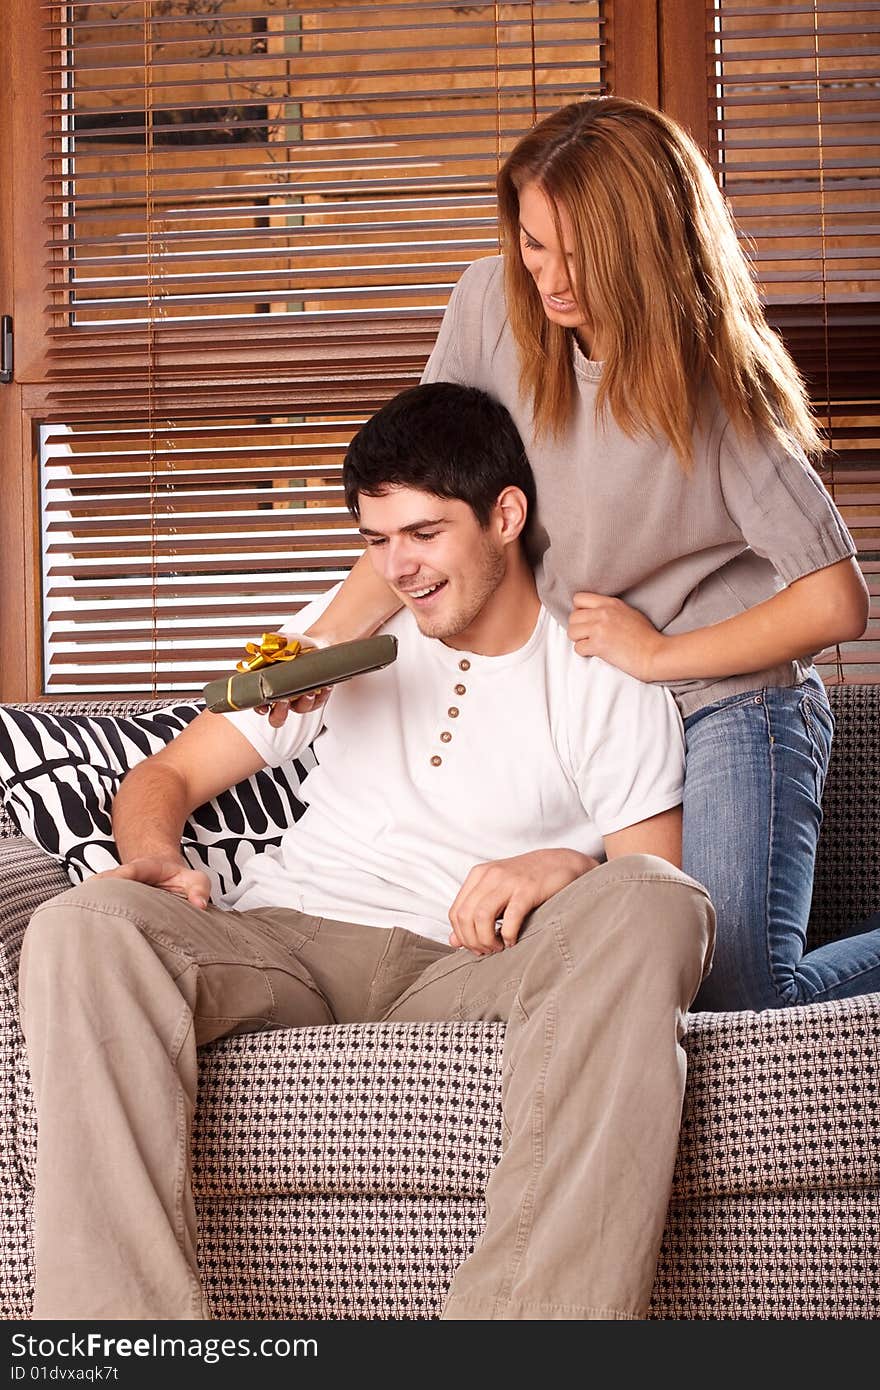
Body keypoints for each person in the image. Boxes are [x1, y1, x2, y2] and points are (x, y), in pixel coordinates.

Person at [19, 383, 714, 1322]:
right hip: (288, 938)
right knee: (83, 923)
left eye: (423, 534)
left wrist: (565, 866)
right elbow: (162, 780)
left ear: (505, 515)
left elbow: (651, 886)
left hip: (467, 963)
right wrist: (156, 860)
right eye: (376, 540)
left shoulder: (600, 674)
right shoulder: (347, 639)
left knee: (657, 905)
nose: (400, 568)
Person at [302, 97, 876, 1013]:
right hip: (588, 713)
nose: (552, 278)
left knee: (725, 990)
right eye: (535, 244)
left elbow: (836, 603)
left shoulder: (716, 385)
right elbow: (425, 499)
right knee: (622, 969)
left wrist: (658, 655)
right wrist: (313, 654)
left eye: (581, 255)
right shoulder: (490, 304)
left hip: (726, 704)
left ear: (647, 246)